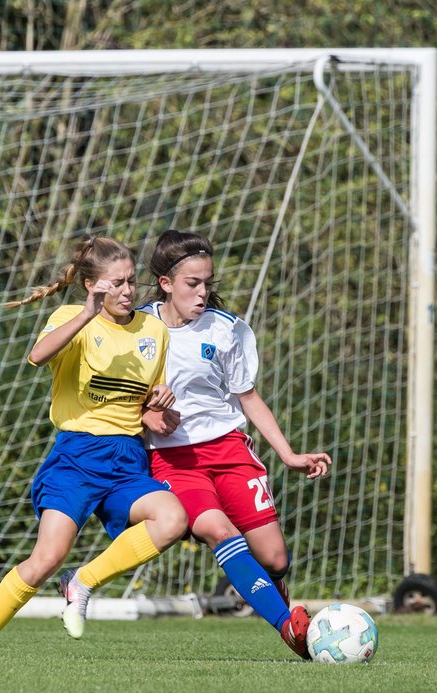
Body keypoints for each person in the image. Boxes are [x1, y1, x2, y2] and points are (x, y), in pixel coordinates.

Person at [0, 236, 188, 657]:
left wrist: (160, 403)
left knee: (172, 519)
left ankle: (81, 581)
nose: (126, 291)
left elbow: (149, 402)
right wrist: (86, 314)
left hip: (127, 459)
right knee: (45, 558)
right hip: (77, 458)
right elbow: (37, 356)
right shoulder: (73, 318)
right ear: (91, 286)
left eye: (131, 282)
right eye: (114, 283)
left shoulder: (153, 329)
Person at [135, 229, 331, 660]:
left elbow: (248, 397)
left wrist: (289, 454)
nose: (203, 292)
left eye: (208, 283)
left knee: (276, 559)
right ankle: (291, 629)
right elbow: (120, 395)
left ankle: (283, 614)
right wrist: (147, 414)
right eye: (193, 284)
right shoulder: (137, 329)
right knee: (217, 530)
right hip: (174, 462)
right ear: (166, 283)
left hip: (228, 450)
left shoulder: (228, 331)